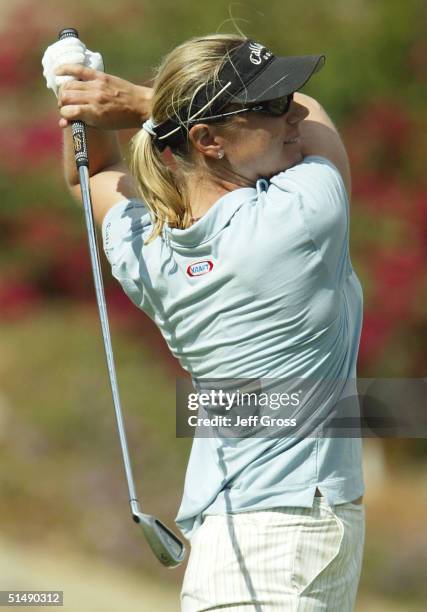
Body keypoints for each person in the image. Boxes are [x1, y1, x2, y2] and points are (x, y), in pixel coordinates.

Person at [42, 33, 365, 611]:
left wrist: (74, 99)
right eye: (268, 106)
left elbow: (89, 176)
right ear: (207, 140)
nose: (291, 112)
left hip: (236, 534)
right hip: (290, 537)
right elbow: (318, 115)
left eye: (285, 98)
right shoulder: (304, 213)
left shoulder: (149, 250)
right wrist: (145, 102)